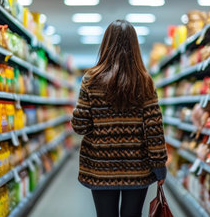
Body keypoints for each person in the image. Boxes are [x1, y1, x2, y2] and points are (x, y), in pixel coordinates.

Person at [71, 19, 168, 217]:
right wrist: (159, 166)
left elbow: (80, 125)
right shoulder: (145, 81)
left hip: (100, 167)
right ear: (135, 46)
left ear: (105, 44)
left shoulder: (91, 79)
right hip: (137, 168)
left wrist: (101, 125)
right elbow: (154, 128)